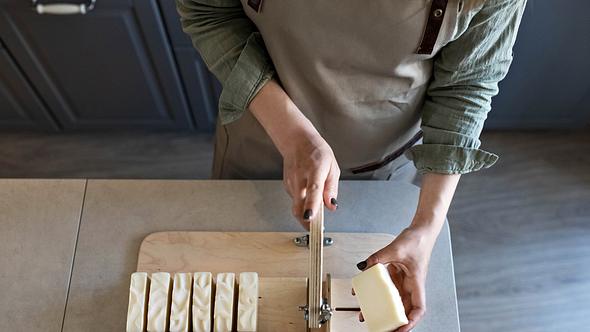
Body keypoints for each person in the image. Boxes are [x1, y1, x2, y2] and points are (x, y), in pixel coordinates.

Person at [176, 0, 527, 330]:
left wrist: (425, 228)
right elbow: (209, 12)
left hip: (383, 168)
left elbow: (466, 83)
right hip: (260, 140)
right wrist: (291, 133)